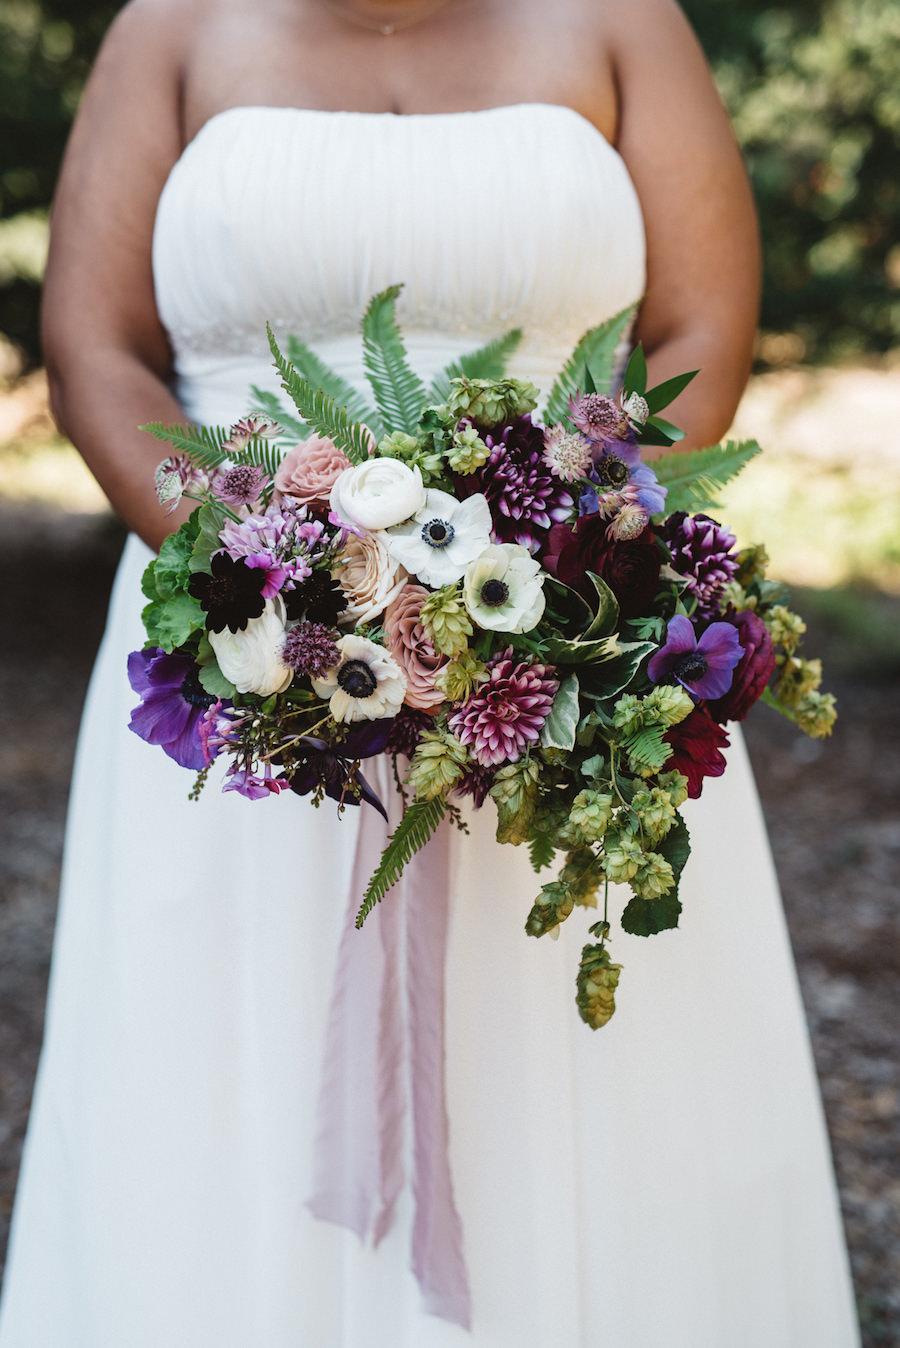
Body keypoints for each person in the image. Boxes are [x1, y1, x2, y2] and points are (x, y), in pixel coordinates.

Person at [0, 0, 861, 1344]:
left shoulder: (624, 18)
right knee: (229, 1079)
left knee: (573, 1072)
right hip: (247, 653)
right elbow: (95, 349)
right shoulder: (167, 25)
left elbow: (699, 326)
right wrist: (256, 566)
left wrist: (581, 550)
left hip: (568, 636)